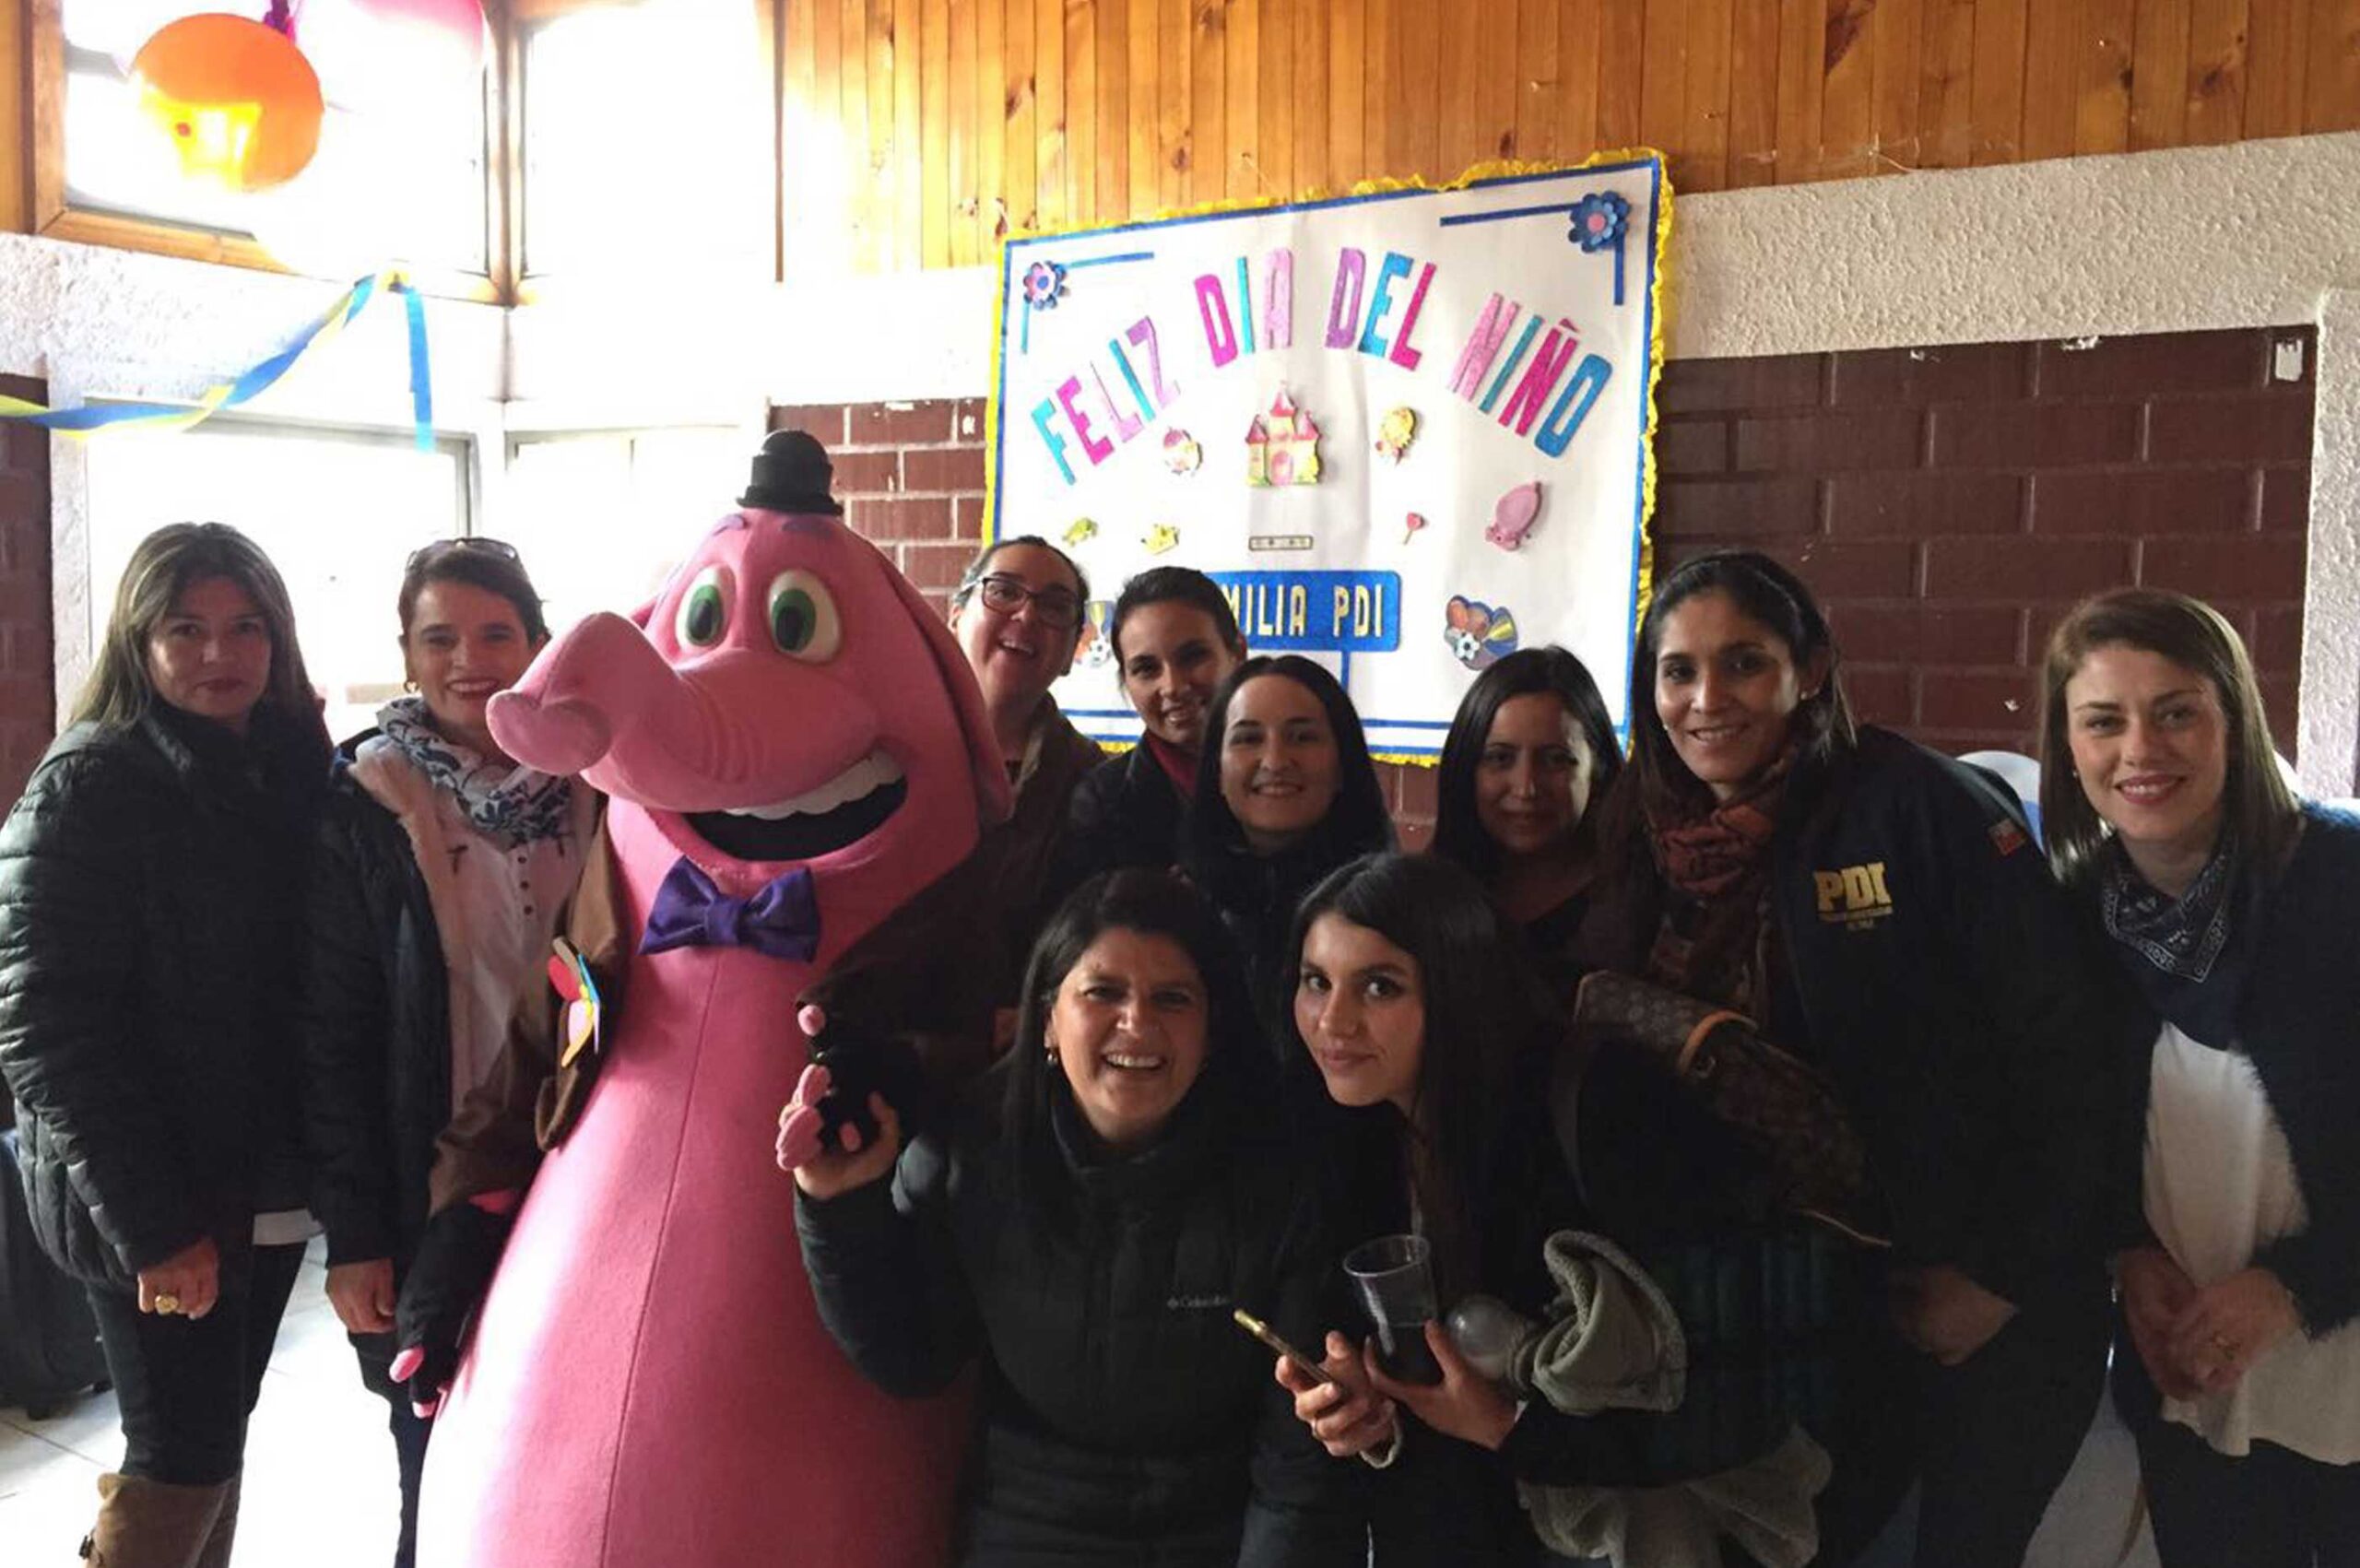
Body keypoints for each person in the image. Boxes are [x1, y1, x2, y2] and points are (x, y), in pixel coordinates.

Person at [1569, 548, 2135, 1568]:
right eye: (1676, 670)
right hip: (1803, 1306)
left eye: (1742, 663)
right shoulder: (1646, 830)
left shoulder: (1914, 805)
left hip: (1986, 1299)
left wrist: (1995, 1278)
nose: (1705, 700)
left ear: (1811, 669)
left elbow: (2069, 1058)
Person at [783, 869, 1362, 1566]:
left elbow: (1295, 1469)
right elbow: (912, 1359)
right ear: (1048, 1018)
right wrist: (839, 1208)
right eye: (1103, 992)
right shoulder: (973, 1148)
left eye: (1172, 998)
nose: (1137, 1023)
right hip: (1030, 1519)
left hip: (1221, 1525)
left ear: (1212, 1034)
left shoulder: (1280, 1179)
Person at [0, 523, 332, 1567]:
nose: (218, 654)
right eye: (184, 629)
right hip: (158, 1193)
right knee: (181, 1451)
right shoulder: (90, 784)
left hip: (265, 1181)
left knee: (212, 1438)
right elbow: (44, 1026)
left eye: (244, 628)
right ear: (138, 643)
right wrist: (154, 1227)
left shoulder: (287, 771)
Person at [2038, 588, 2360, 1567]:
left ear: (2233, 720)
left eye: (2175, 711)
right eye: (2103, 720)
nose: (2140, 750)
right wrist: (2129, 1257)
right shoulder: (2075, 918)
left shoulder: (2340, 880)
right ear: (2068, 746)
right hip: (2195, 1388)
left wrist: (2291, 1289)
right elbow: (2083, 1136)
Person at [301, 538, 596, 1568]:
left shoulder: (601, 788)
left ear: (539, 644)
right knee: (434, 1452)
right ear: (408, 656)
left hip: (576, 1172)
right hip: (423, 1183)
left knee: (561, 1449)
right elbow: (330, 1035)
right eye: (440, 638)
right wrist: (354, 1235)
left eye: (495, 634)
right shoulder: (365, 802)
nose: (470, 660)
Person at [1179, 655, 1393, 1030]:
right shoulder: (1180, 906)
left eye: (1302, 737)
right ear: (1216, 769)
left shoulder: (1396, 912)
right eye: (1248, 738)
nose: (1275, 761)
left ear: (1343, 764)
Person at [947, 536, 1104, 1001]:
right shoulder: (882, 759)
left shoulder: (1096, 786)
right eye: (1004, 591)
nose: (1027, 615)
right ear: (955, 617)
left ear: (1075, 647)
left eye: (1055, 606)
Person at [1432, 647, 1622, 996]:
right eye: (1500, 758)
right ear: (1465, 768)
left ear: (1598, 768)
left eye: (1556, 760)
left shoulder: (1642, 904)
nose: (1526, 788)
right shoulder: (1427, 901)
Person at [1059, 565, 1248, 881]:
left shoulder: (1297, 774)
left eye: (1193, 657)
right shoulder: (1101, 804)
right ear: (1126, 681)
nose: (1173, 686)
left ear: (1237, 652)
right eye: (1147, 669)